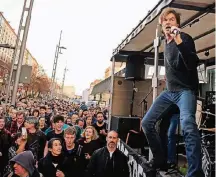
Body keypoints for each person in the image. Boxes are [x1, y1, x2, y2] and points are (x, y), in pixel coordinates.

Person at [141, 7, 204, 177]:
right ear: (162, 25)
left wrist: (178, 39)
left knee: (188, 126)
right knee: (147, 123)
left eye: (172, 19)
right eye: (165, 20)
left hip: (185, 91)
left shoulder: (184, 38)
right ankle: (160, 159)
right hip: (170, 92)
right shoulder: (164, 43)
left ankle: (195, 173)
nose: (168, 22)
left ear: (177, 23)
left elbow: (191, 63)